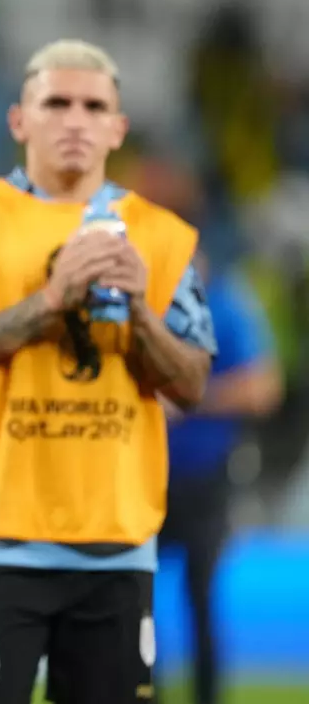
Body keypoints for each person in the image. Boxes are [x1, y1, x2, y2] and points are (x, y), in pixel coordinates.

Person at [0, 40, 217, 704]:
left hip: (115, 544)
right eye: (56, 103)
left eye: (93, 105)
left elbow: (192, 383)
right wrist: (49, 303)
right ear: (20, 120)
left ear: (117, 127)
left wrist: (138, 308)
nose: (74, 119)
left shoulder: (163, 238)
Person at [160, 258, 281, 704]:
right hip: (143, 479)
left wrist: (193, 398)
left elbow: (263, 387)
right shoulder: (143, 305)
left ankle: (207, 696)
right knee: (130, 600)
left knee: (202, 598)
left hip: (206, 481)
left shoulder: (226, 306)